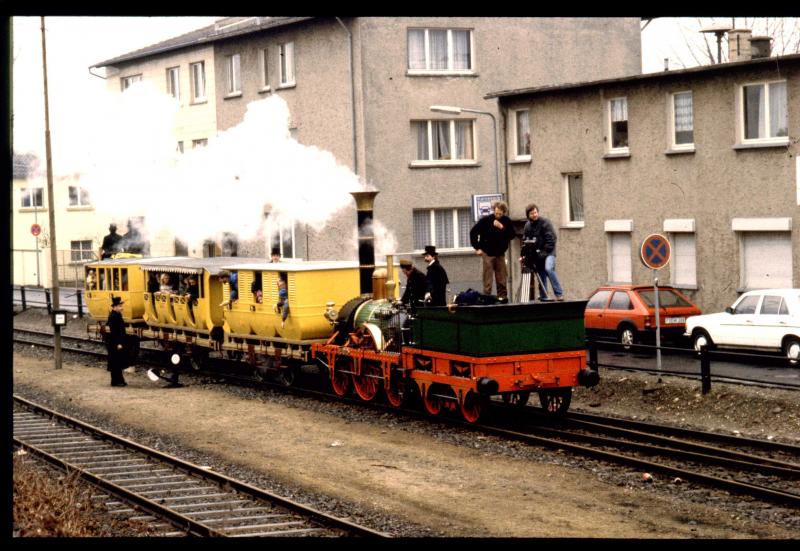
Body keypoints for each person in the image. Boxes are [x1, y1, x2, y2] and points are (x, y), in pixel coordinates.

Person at [469, 200, 516, 302]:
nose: (497, 215)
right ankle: (487, 297)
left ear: (504, 212)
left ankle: (502, 297)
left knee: (502, 277)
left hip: (500, 253)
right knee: (488, 277)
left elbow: (512, 235)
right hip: (487, 252)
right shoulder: (485, 220)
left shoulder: (506, 221)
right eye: (496, 213)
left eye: (500, 213)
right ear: (493, 210)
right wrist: (477, 248)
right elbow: (473, 232)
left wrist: (502, 227)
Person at [520, 203, 564, 301]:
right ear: (528, 215)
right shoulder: (527, 226)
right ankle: (543, 296)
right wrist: (524, 255)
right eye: (532, 213)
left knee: (548, 268)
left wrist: (543, 253)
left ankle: (559, 293)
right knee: (541, 274)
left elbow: (552, 239)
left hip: (549, 252)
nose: (534, 215)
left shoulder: (545, 223)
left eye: (535, 212)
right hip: (537, 254)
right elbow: (525, 241)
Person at [106, 296, 128, 387]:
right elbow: (114, 332)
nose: (121, 308)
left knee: (117, 361)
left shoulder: (116, 315)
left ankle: (118, 380)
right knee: (116, 362)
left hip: (116, 342)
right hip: (114, 343)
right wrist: (118, 343)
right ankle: (116, 381)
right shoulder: (113, 316)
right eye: (119, 306)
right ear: (114, 307)